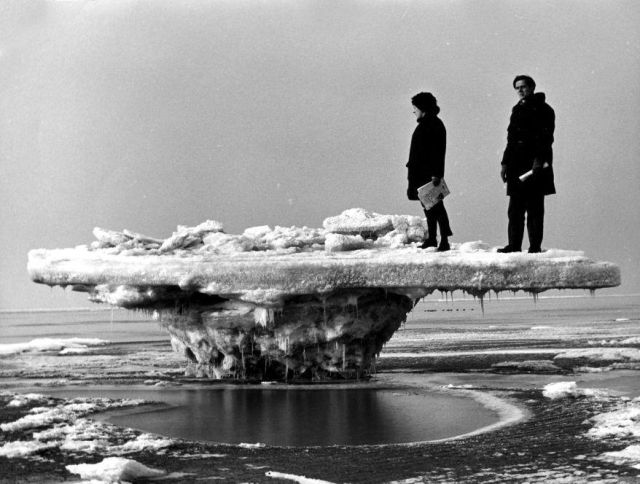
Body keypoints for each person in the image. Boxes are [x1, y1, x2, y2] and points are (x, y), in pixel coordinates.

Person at [498, 75, 555, 254]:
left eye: (523, 86)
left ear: (532, 87)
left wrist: (539, 160)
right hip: (516, 164)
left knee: (535, 209)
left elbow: (546, 137)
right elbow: (511, 138)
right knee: (515, 209)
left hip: (534, 165)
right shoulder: (517, 109)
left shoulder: (544, 109)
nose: (520, 90)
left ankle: (534, 247)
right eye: (517, 87)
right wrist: (505, 163)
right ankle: (514, 245)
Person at [406, 92, 453, 251]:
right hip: (422, 173)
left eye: (415, 108)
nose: (414, 111)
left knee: (436, 207)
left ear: (422, 107)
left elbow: (437, 151)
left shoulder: (432, 124)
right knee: (429, 207)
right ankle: (433, 238)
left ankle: (444, 240)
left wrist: (436, 173)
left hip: (428, 174)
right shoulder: (428, 123)